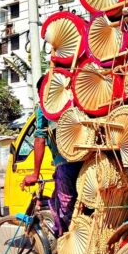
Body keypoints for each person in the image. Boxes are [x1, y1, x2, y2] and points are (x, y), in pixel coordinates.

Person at [21, 75, 83, 237]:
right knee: (65, 204)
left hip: (66, 165)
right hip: (86, 162)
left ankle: (75, 246)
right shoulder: (75, 100)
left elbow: (40, 139)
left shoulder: (45, 108)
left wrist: (35, 173)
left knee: (67, 213)